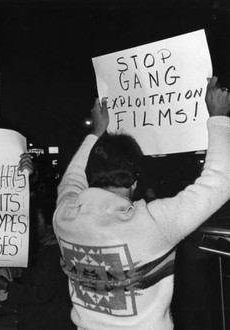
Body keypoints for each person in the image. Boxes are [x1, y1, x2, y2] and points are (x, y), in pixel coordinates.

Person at [52, 76, 230, 329]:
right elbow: (221, 181)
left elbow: (70, 180)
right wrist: (219, 116)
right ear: (134, 181)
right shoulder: (153, 223)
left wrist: (96, 133)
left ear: (91, 176)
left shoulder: (63, 216)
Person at [0, 196, 75, 330]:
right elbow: (42, 279)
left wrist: (7, 286)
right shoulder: (45, 247)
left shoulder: (56, 252)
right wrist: (22, 273)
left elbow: (42, 293)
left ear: (50, 224)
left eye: (35, 221)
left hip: (50, 322)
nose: (29, 225)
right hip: (41, 319)